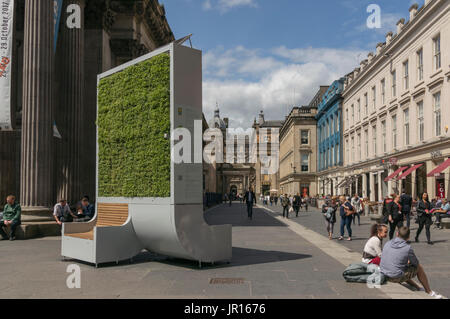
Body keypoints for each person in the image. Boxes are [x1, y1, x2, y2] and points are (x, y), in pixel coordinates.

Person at [380, 227, 442, 299]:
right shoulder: (407, 248)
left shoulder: (388, 242)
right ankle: (429, 291)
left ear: (397, 234)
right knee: (419, 268)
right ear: (408, 237)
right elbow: (415, 263)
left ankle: (417, 287)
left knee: (402, 267)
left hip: (384, 273)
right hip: (394, 277)